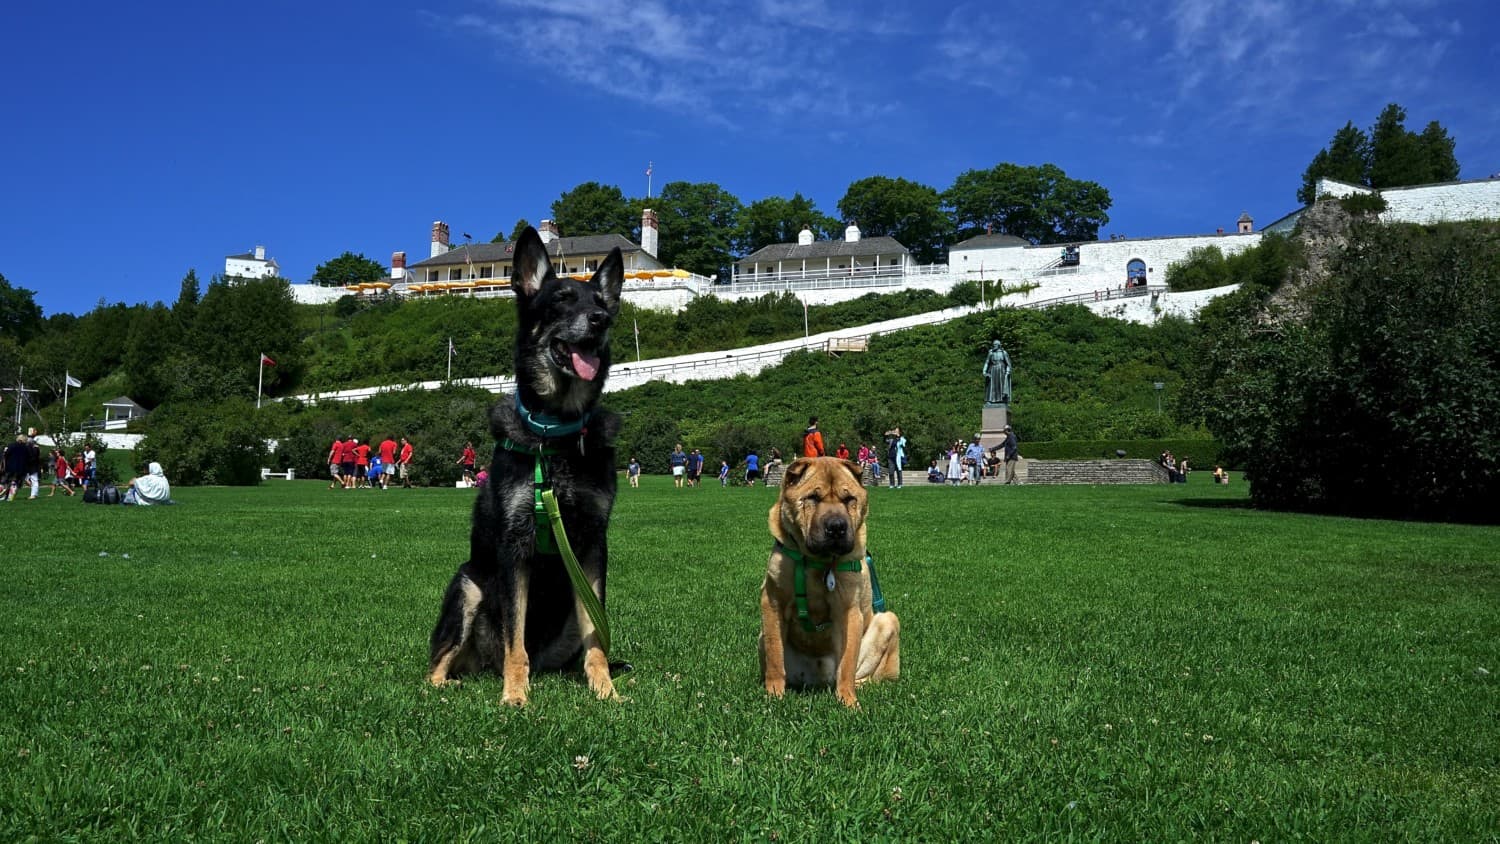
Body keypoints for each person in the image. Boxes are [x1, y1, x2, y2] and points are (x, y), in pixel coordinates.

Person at [983, 340, 1012, 405]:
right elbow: (987, 362)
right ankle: (990, 400)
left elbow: (1008, 363)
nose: (994, 346)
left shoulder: (1003, 353)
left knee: (1001, 385)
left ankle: (1003, 400)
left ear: (999, 345)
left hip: (1002, 370)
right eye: (993, 345)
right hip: (992, 370)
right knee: (992, 385)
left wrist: (1008, 371)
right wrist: (984, 371)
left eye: (995, 344)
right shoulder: (991, 353)